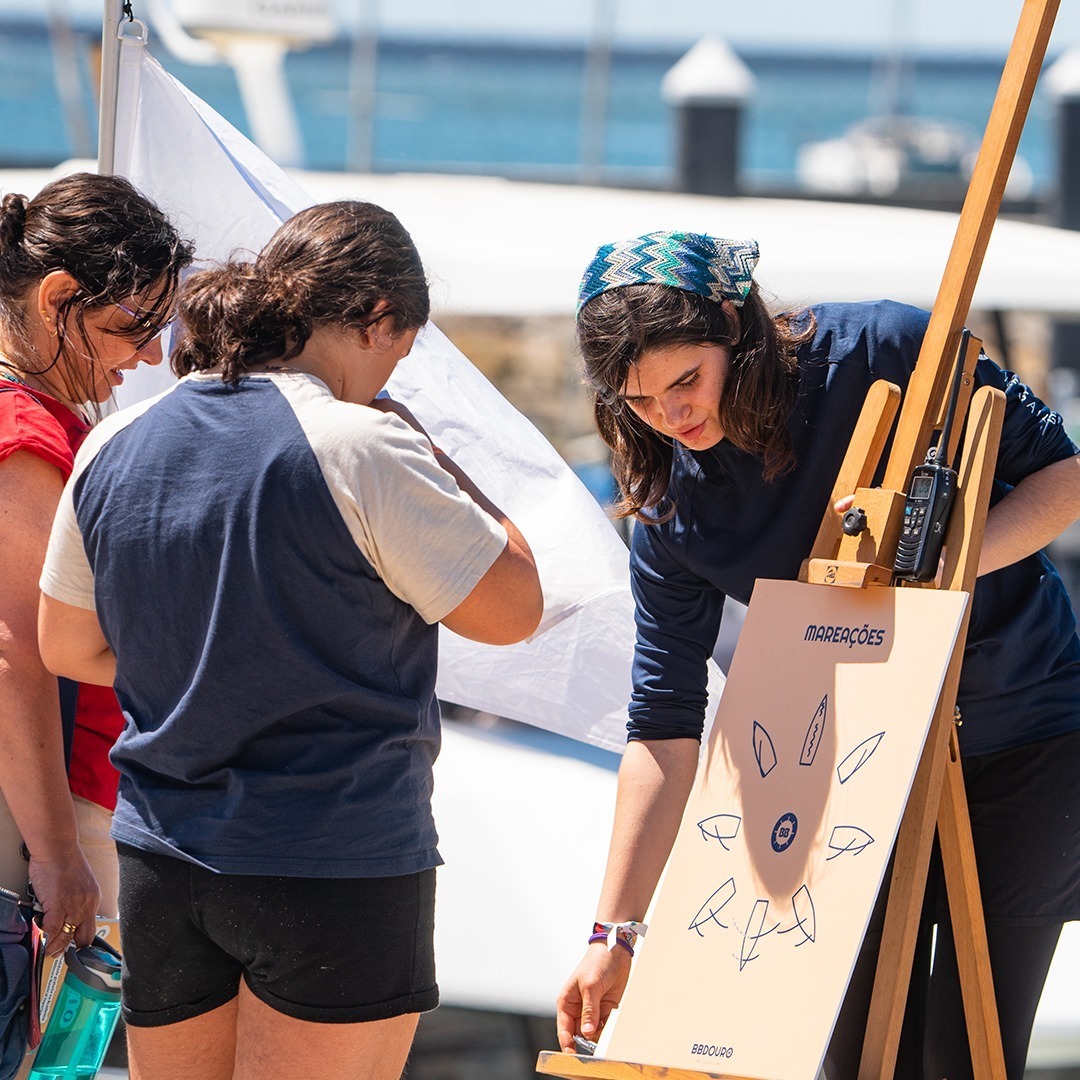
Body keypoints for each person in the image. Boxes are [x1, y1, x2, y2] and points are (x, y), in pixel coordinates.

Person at [36, 199, 544, 1080]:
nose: (390, 374)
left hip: (164, 857)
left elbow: (70, 648)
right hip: (333, 858)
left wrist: (213, 654)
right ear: (378, 320)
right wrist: (434, 452)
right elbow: (514, 610)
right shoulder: (363, 444)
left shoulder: (113, 443)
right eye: (400, 350)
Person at [555, 231, 1080, 1080]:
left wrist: (937, 575)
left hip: (1022, 727)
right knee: (855, 1057)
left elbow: (1064, 475)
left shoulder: (885, 349)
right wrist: (612, 934)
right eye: (639, 401)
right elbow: (661, 726)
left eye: (686, 380)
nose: (671, 416)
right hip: (848, 771)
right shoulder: (668, 506)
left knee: (969, 1055)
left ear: (735, 323)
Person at [0, 171, 192, 953]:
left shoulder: (42, 423)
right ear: (55, 298)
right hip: (39, 809)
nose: (149, 354)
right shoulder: (25, 435)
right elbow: (17, 653)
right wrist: (55, 855)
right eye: (135, 324)